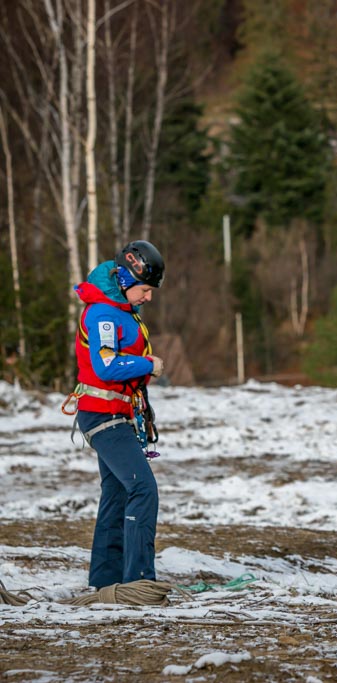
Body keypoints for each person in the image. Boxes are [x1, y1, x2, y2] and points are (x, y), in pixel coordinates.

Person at [69, 240, 166, 589]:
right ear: (125, 280)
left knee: (119, 493)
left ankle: (105, 582)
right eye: (145, 289)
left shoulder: (119, 309)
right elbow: (107, 366)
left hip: (116, 413)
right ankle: (139, 581)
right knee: (143, 490)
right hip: (102, 415)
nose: (148, 297)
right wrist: (148, 365)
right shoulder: (103, 314)